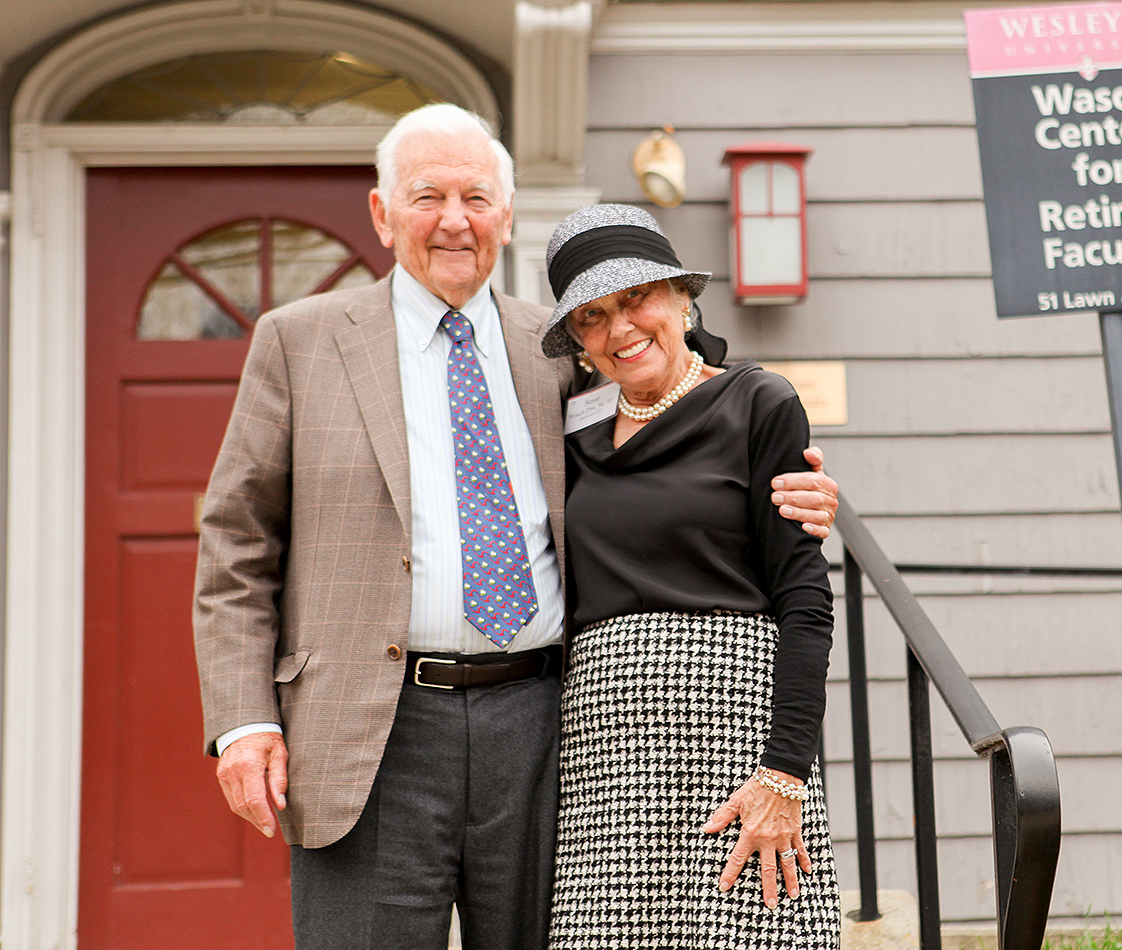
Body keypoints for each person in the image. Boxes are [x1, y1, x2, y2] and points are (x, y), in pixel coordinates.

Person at [192, 104, 839, 950]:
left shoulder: (565, 351)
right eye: (427, 196)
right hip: (371, 727)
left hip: (549, 726)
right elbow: (237, 542)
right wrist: (245, 721)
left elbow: (671, 433)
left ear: (506, 217)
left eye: (477, 197)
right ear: (383, 214)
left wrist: (794, 486)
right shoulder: (300, 341)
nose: (454, 220)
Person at [540, 204, 841, 949]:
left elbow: (804, 602)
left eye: (636, 299)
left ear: (681, 295)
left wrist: (784, 773)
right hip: (603, 749)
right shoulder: (568, 427)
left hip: (736, 735)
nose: (620, 330)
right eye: (593, 317)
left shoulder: (757, 402)